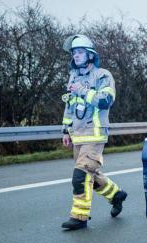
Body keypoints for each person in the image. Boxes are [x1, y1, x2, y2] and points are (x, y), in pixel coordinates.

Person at [59, 34, 127, 230]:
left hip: (95, 133)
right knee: (91, 174)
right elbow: (70, 106)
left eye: (80, 52)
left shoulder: (103, 75)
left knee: (80, 177)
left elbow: (106, 100)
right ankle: (116, 195)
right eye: (74, 52)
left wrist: (83, 91)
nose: (76, 56)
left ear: (90, 55)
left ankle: (80, 217)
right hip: (78, 135)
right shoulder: (74, 76)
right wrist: (66, 130)